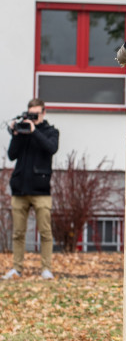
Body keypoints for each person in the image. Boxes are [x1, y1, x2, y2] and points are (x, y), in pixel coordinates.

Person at [2, 99, 59, 280]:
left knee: (45, 231)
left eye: (35, 114)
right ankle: (17, 269)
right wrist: (16, 134)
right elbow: (12, 155)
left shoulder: (51, 132)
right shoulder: (23, 131)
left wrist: (34, 132)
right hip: (20, 189)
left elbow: (51, 148)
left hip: (41, 190)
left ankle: (46, 269)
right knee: (18, 232)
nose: (32, 118)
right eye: (30, 114)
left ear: (43, 113)